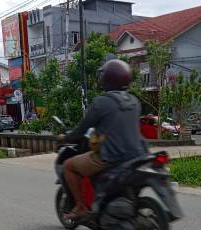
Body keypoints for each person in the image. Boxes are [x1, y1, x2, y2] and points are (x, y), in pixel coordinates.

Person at [59, 59, 147, 219]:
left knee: (68, 166)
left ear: (108, 79)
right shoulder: (135, 101)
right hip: (137, 155)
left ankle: (80, 206)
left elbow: (82, 130)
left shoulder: (101, 102)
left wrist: (66, 137)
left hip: (110, 157)